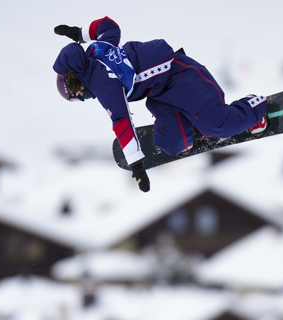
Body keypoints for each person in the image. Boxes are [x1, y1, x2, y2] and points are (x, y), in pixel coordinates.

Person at [53, 17, 268, 192]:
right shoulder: (98, 49)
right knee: (172, 143)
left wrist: (136, 166)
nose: (87, 98)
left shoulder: (102, 83)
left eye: (82, 97)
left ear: (78, 88)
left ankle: (253, 108)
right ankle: (190, 127)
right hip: (159, 95)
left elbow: (121, 120)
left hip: (180, 74)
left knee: (218, 125)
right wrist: (80, 33)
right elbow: (108, 25)